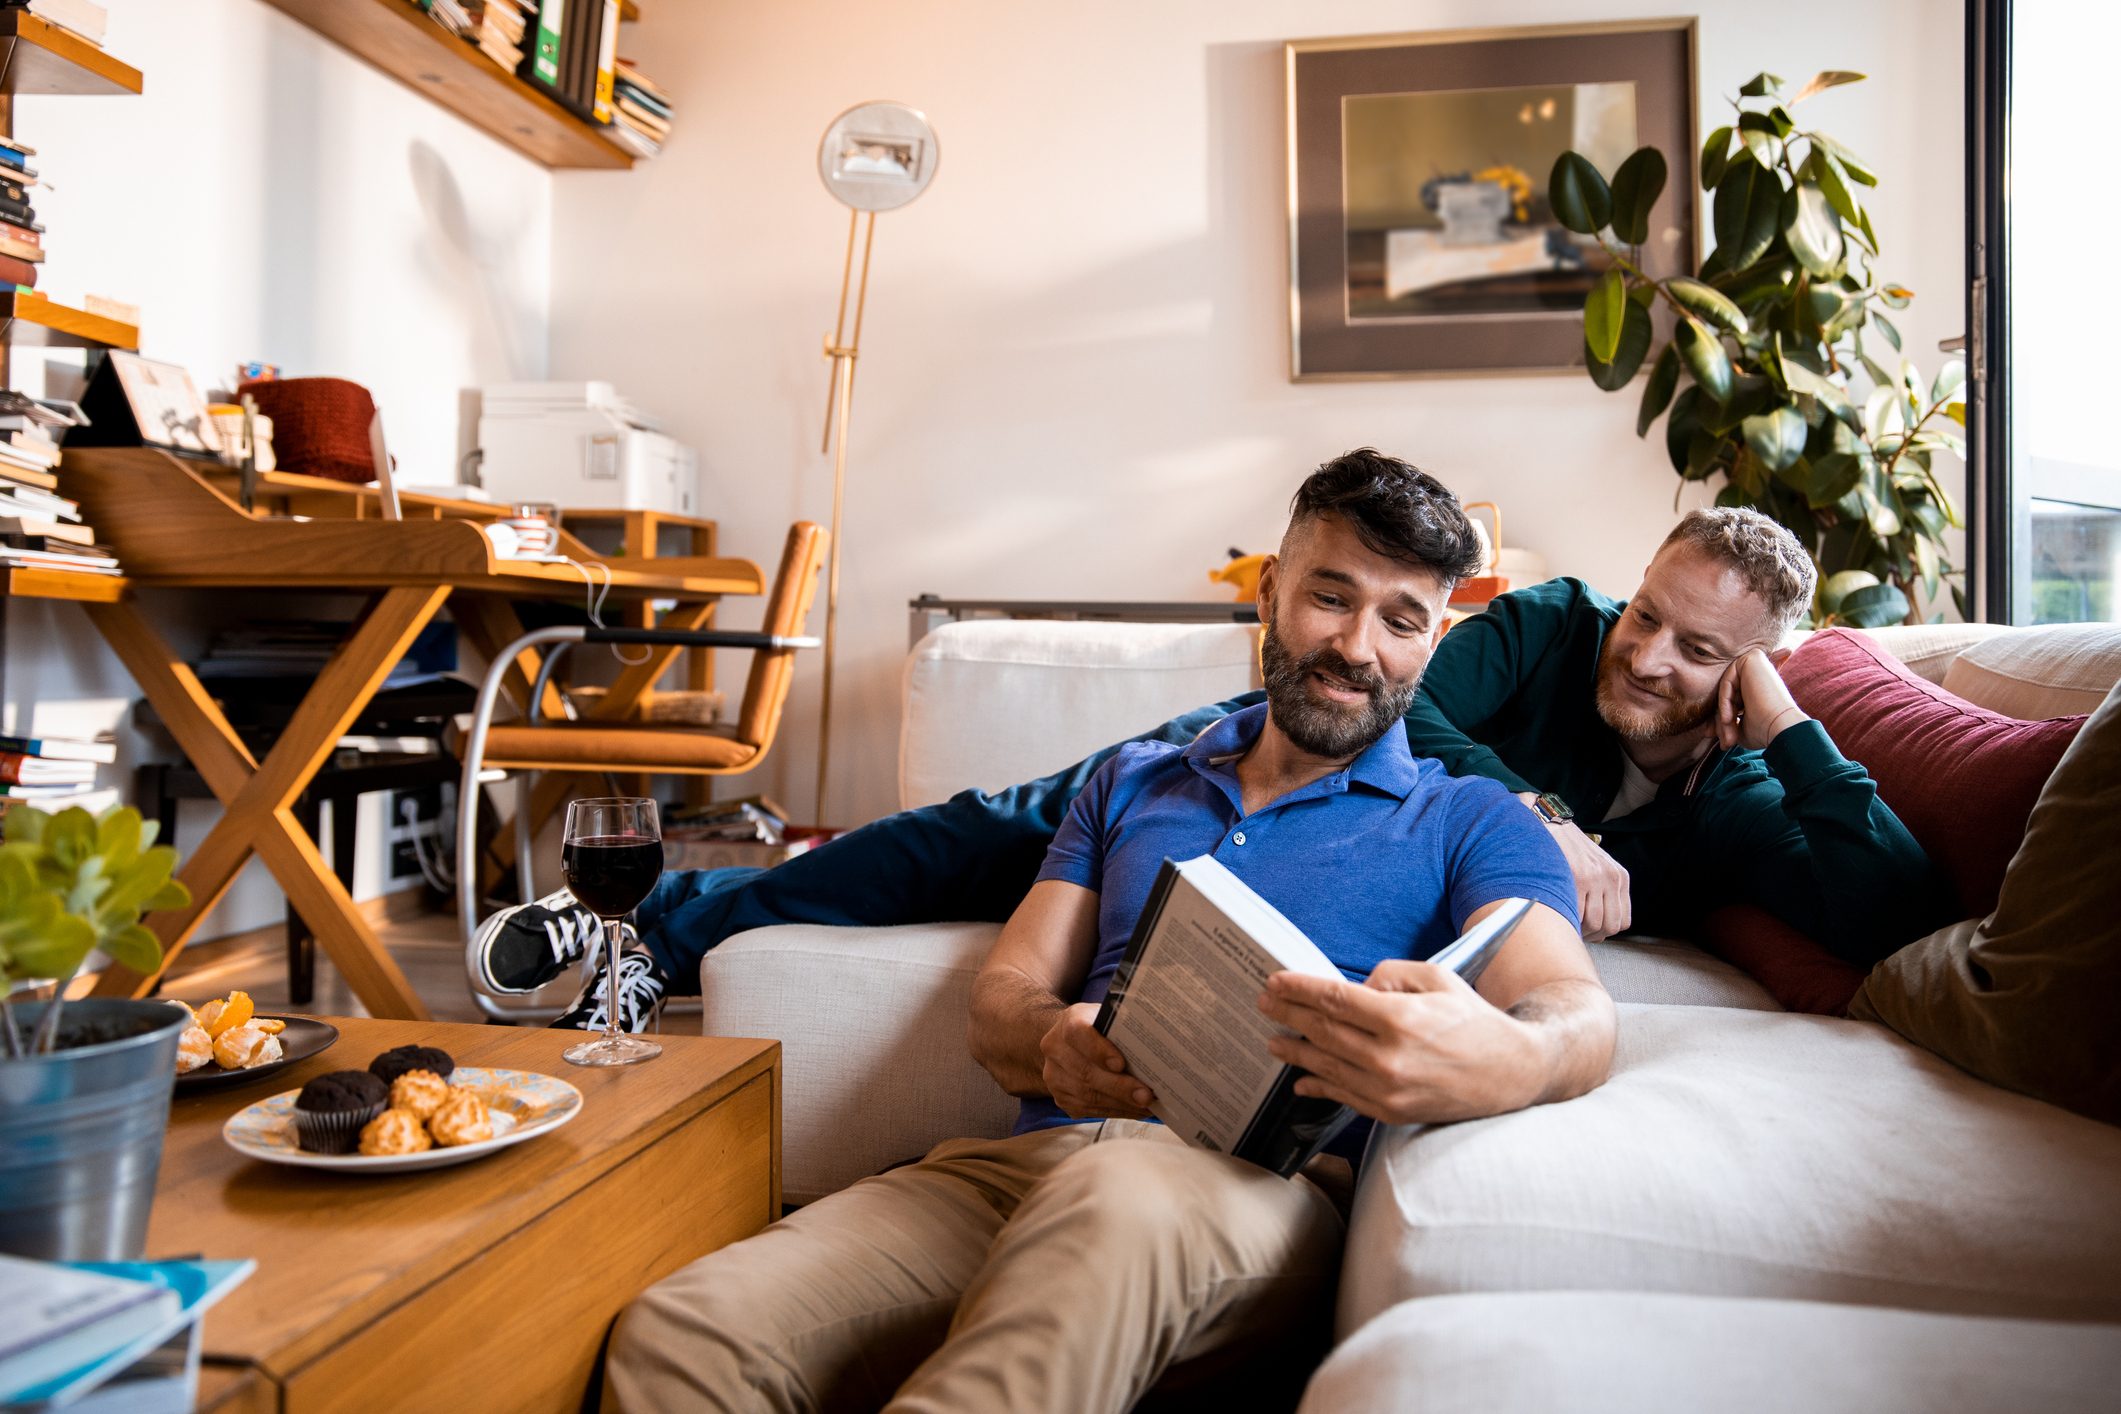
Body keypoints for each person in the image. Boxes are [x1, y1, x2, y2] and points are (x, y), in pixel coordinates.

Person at [599, 455, 1614, 1412]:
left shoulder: (1471, 818)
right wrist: (1053, 1042)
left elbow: (1573, 1007)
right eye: (1332, 596)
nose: (1358, 647)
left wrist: (1508, 1055)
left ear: (1435, 641)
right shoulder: (1133, 781)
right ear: (1268, 593)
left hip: (1246, 1195)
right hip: (1021, 1169)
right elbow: (1003, 1001)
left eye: (1402, 619)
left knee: (1099, 1227)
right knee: (684, 1330)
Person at [475, 468, 1945, 1031]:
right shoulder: (1558, 622)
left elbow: (1887, 908)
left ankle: (665, 916)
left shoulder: (1742, 783)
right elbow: (1407, 701)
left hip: (1354, 868)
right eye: (1654, 614)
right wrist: (1546, 811)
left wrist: (1796, 727)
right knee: (984, 830)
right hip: (1249, 753)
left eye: (1702, 649)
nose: (1650, 656)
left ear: (1747, 665)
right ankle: (656, 923)